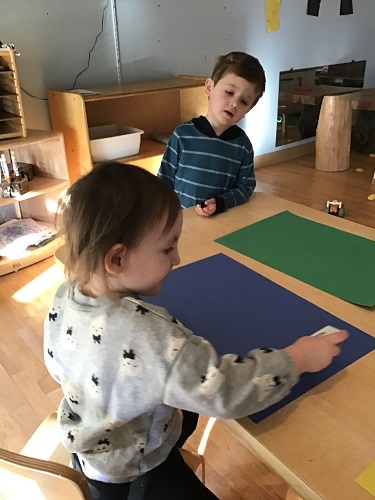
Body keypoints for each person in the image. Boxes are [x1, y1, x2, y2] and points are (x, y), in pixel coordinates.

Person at [44, 162, 348, 499]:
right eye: (167, 248)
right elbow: (224, 392)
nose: (177, 258)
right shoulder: (151, 336)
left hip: (89, 441)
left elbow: (56, 363)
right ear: (116, 260)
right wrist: (296, 360)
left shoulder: (64, 295)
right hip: (137, 471)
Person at [158, 51, 266, 217]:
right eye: (229, 92)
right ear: (209, 87)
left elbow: (245, 187)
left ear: (248, 110)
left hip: (221, 221)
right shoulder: (182, 135)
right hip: (182, 222)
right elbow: (163, 181)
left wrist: (223, 202)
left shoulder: (242, 145)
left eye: (244, 101)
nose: (234, 103)